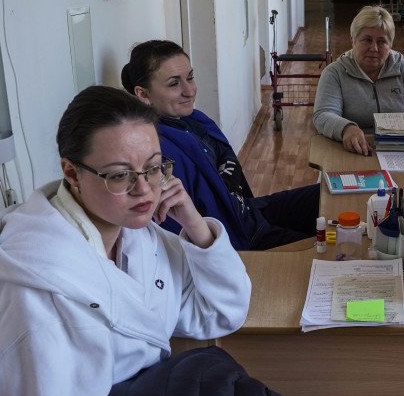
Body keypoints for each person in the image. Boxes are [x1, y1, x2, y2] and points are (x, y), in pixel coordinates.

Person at [0, 86, 337, 396]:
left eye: (154, 169)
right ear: (72, 173)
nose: (144, 190)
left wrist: (195, 224)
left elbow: (221, 311)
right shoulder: (32, 290)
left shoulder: (136, 237)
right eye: (120, 175)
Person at [122, 40, 319, 251]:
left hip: (246, 212)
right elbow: (180, 237)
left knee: (323, 197)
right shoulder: (156, 153)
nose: (190, 91)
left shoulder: (195, 121)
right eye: (174, 83)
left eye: (190, 77)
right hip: (237, 238)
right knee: (329, 247)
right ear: (143, 94)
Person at [313, 5, 404, 155]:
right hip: (351, 150)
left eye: (381, 42)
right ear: (353, 40)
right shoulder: (335, 73)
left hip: (400, 151)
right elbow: (323, 115)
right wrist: (346, 128)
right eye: (367, 40)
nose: (374, 48)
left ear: (390, 44)